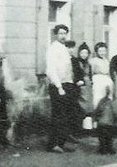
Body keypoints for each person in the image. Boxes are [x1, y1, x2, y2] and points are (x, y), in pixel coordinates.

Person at [45, 24, 76, 153]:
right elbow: (51, 70)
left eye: (65, 33)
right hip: (58, 86)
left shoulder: (64, 48)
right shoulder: (53, 49)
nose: (63, 36)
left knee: (66, 116)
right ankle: (53, 144)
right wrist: (59, 87)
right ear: (55, 34)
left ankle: (61, 143)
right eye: (61, 33)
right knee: (58, 116)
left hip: (67, 84)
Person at [93, 85, 117, 155]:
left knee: (102, 138)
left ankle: (103, 149)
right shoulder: (112, 102)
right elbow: (115, 113)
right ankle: (110, 149)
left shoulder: (101, 102)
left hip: (101, 123)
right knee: (109, 138)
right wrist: (116, 121)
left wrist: (95, 120)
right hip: (110, 123)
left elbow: (97, 112)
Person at [90, 42, 113, 110]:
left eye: (104, 51)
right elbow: (91, 72)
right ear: (97, 51)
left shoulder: (107, 60)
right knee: (98, 97)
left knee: (108, 96)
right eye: (100, 51)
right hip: (98, 80)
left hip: (107, 79)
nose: (102, 53)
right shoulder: (93, 61)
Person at [76, 43, 94, 130]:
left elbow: (90, 74)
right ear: (79, 53)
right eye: (82, 53)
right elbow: (75, 73)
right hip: (79, 85)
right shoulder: (76, 63)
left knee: (88, 105)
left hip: (88, 86)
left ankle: (87, 127)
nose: (84, 55)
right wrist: (78, 81)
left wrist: (91, 81)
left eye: (86, 53)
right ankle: (79, 127)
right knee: (80, 105)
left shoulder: (88, 64)